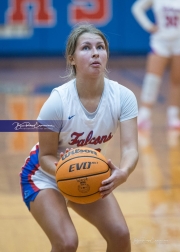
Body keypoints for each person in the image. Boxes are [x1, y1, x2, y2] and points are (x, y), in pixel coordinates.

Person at [20, 23, 139, 252]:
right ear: (72, 58)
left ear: (106, 55)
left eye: (100, 47)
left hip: (84, 171)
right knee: (66, 243)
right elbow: (45, 155)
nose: (95, 52)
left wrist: (124, 171)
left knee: (120, 235)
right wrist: (68, 174)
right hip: (44, 174)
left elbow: (130, 148)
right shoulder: (57, 102)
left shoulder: (124, 97)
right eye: (86, 48)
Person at [131, 0, 180, 130]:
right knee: (152, 78)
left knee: (177, 80)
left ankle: (173, 116)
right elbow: (137, 8)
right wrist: (148, 26)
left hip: (178, 42)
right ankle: (145, 115)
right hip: (160, 41)